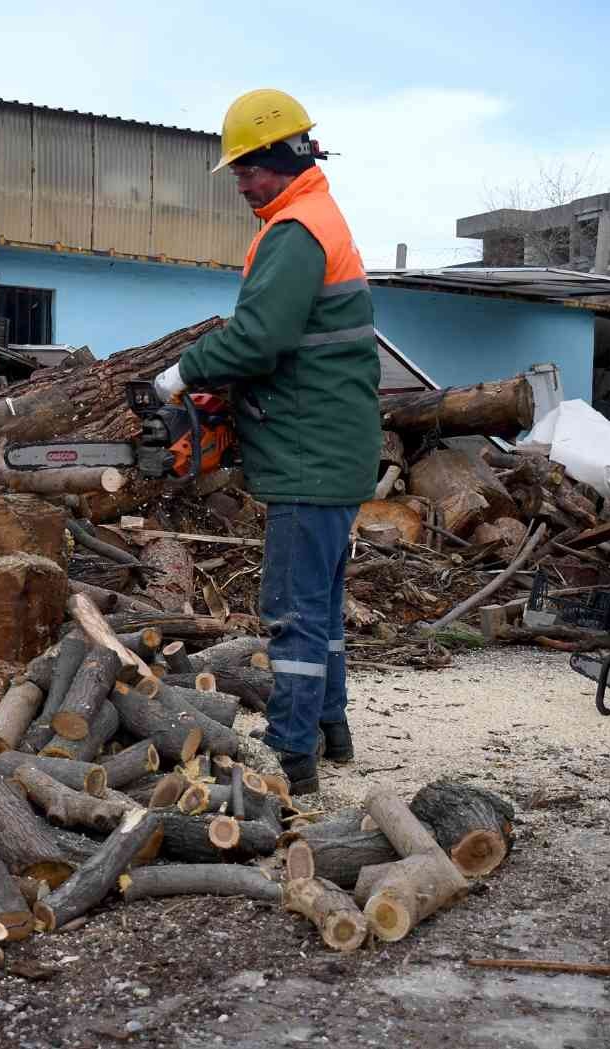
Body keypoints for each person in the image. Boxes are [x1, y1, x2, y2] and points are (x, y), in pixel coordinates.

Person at [153, 89, 381, 795]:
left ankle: (289, 754)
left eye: (250, 168)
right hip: (333, 448)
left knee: (292, 611)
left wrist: (182, 373)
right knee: (323, 604)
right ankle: (330, 728)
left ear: (284, 156)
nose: (243, 183)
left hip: (309, 455)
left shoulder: (295, 230)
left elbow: (262, 336)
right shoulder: (314, 216)